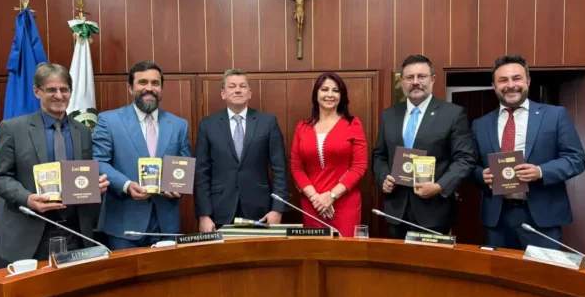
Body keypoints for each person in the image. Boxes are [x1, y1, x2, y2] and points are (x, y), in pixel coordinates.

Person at [0, 63, 110, 263]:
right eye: (51, 90)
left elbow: (82, 176)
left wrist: (96, 187)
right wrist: (28, 199)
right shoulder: (13, 129)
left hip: (75, 232)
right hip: (29, 233)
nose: (59, 95)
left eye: (64, 89)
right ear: (37, 92)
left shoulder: (83, 131)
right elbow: (0, 178)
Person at [472, 55, 585, 250]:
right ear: (494, 86)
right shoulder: (480, 124)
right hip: (498, 219)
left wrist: (540, 172)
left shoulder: (555, 115)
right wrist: (480, 175)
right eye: (503, 80)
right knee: (500, 269)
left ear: (528, 81)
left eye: (516, 78)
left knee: (542, 269)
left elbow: (576, 159)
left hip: (543, 216)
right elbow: (470, 165)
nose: (510, 85)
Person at [372, 54, 476, 238]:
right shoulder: (389, 115)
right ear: (402, 82)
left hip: (434, 211)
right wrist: (383, 178)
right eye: (409, 77)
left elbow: (465, 158)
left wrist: (440, 186)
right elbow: (379, 155)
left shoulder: (453, 114)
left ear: (432, 79)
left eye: (421, 76)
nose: (415, 82)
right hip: (396, 210)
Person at [92, 61, 191, 250]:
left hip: (165, 224)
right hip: (124, 223)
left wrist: (178, 186)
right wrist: (127, 185)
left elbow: (183, 164)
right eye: (143, 82)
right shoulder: (109, 120)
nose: (149, 88)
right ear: (130, 88)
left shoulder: (179, 125)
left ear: (161, 89)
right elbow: (99, 161)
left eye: (155, 83)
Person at [195, 69, 289, 231]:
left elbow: (280, 169)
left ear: (249, 93)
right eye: (232, 86)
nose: (238, 90)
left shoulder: (267, 122)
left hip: (261, 210)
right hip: (219, 210)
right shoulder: (208, 125)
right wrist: (204, 215)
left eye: (242, 86)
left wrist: (277, 209)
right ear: (223, 93)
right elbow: (201, 173)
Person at [290, 72, 367, 236]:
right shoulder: (302, 127)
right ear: (316, 94)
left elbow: (359, 167)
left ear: (342, 96)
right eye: (324, 89)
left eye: (335, 90)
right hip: (313, 204)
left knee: (345, 250)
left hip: (344, 203)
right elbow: (296, 168)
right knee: (315, 250)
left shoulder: (353, 124)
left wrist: (331, 196)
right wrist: (316, 199)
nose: (330, 95)